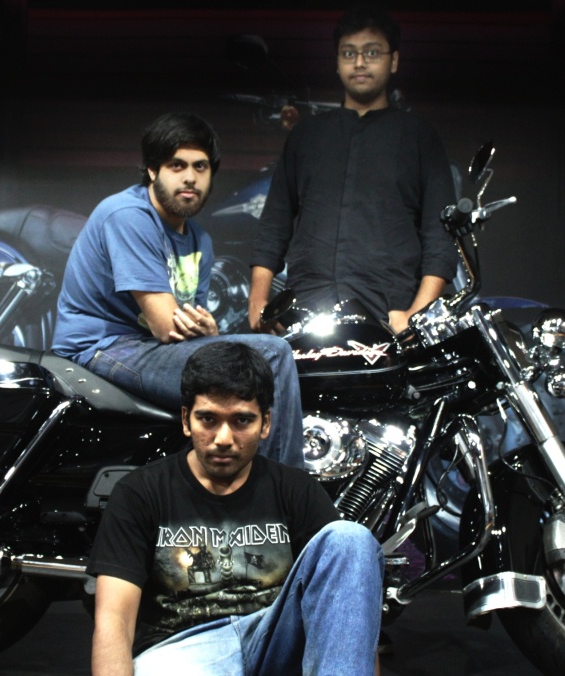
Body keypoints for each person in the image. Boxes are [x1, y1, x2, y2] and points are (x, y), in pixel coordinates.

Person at [88, 342, 384, 675]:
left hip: (273, 639)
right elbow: (114, 621)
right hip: (185, 650)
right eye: (208, 419)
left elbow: (350, 616)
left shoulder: (298, 490)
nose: (224, 438)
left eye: (242, 420)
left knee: (351, 539)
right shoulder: (140, 492)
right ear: (186, 420)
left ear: (265, 423)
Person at [50, 112, 303, 468]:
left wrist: (208, 334)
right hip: (102, 346)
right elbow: (167, 326)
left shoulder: (199, 240)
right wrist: (205, 334)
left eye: (200, 167)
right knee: (271, 354)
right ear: (152, 170)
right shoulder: (127, 215)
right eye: (176, 165)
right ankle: (286, 490)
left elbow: (194, 327)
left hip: (148, 349)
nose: (190, 177)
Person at [249, 6, 457, 335]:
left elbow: (440, 236)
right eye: (349, 53)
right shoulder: (306, 136)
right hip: (306, 306)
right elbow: (274, 224)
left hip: (389, 311)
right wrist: (258, 300)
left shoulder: (419, 137)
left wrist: (416, 316)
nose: (359, 62)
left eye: (372, 52)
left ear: (394, 61)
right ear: (337, 62)